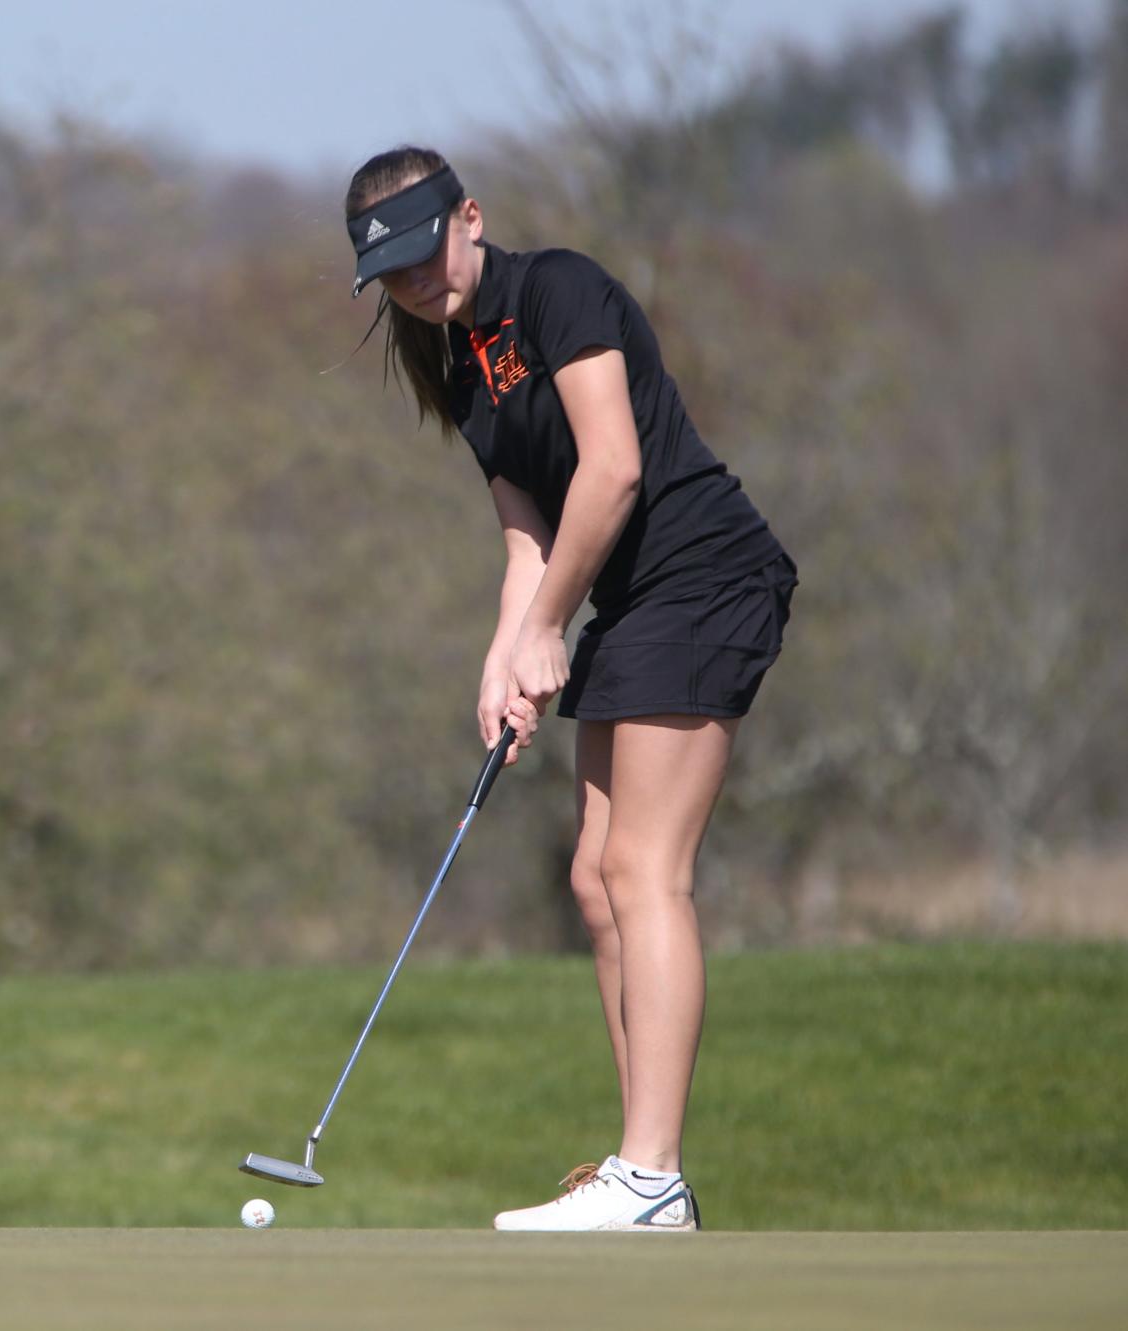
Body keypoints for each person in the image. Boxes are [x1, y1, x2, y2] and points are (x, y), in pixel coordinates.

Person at [343, 146, 797, 1232]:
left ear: (470, 219)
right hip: (631, 599)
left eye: (424, 252)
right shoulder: (459, 366)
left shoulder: (559, 289)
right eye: (392, 271)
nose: (416, 282)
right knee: (596, 880)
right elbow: (527, 538)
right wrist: (506, 658)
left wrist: (551, 624)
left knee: (645, 868)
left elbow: (615, 467)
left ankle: (652, 1174)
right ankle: (646, 1171)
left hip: (706, 575)